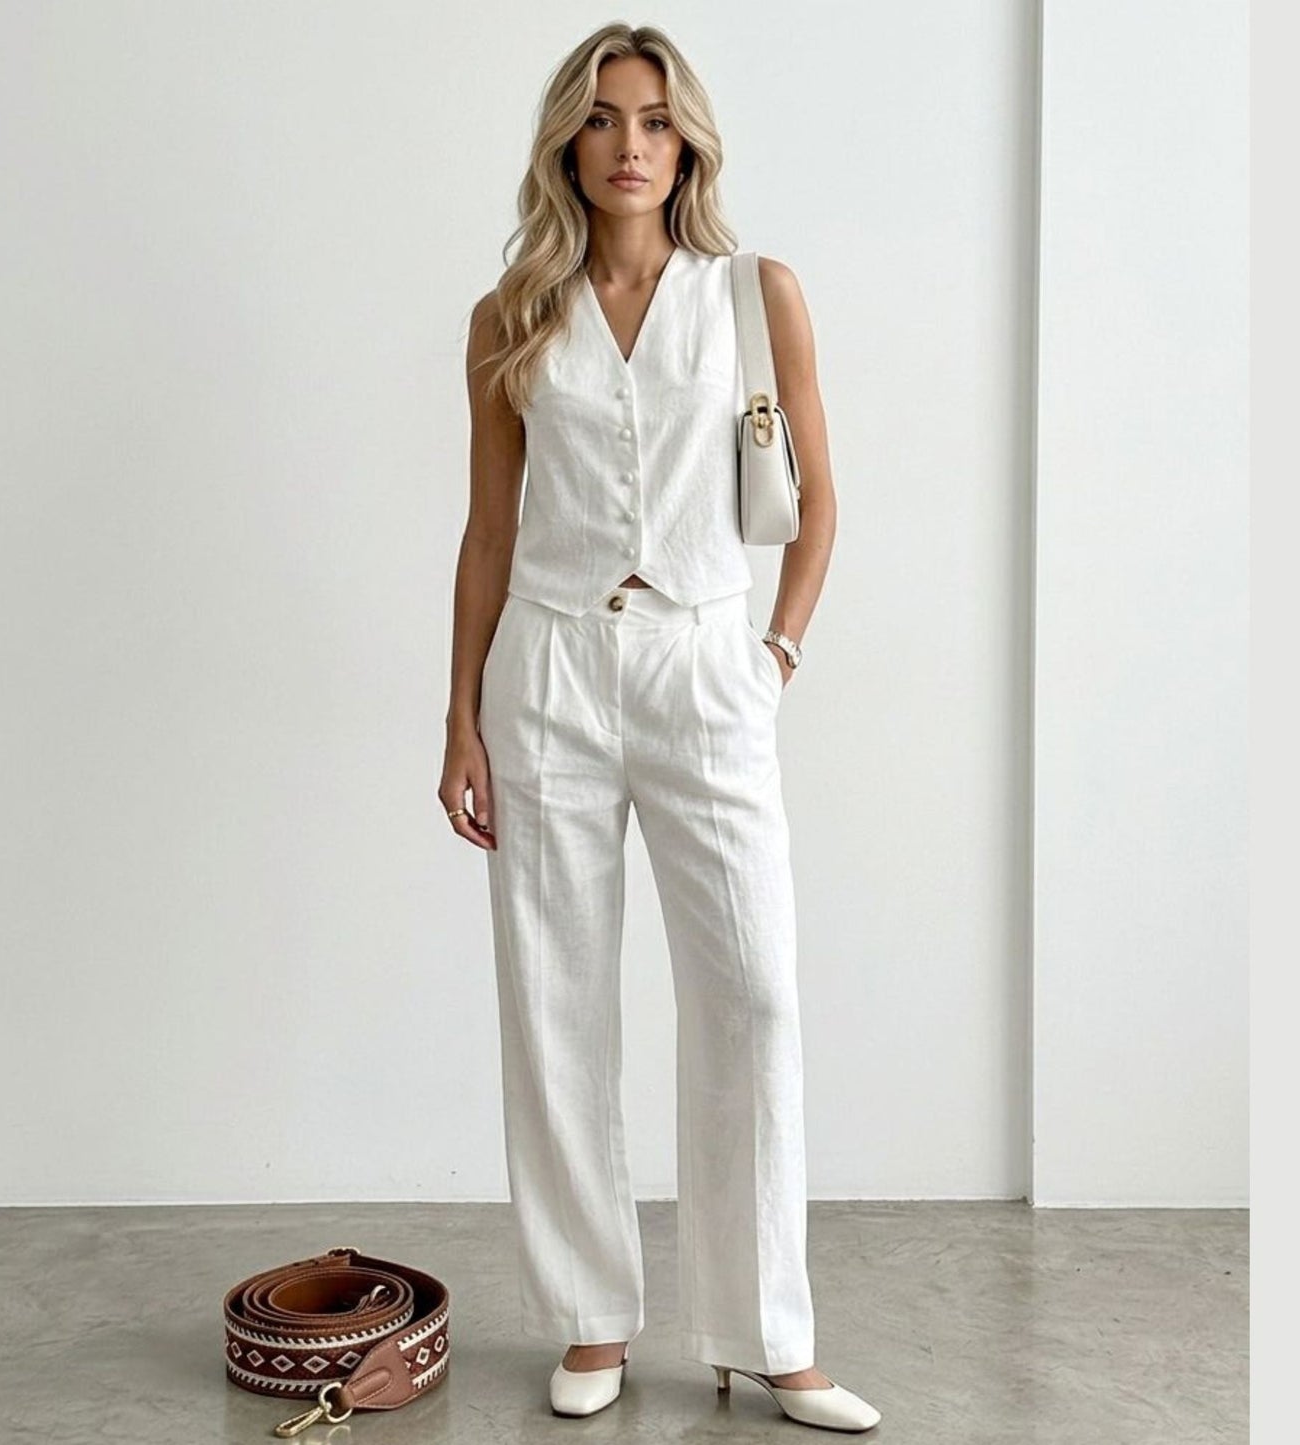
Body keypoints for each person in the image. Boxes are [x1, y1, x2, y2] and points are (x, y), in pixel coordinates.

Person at [439, 22, 881, 1433]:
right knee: (557, 1001)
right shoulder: (512, 309)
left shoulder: (753, 295)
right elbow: (488, 531)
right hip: (550, 671)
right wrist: (459, 717)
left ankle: (771, 1333)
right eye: (600, 120)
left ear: (686, 142)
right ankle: (590, 1316)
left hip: (704, 664)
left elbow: (815, 504)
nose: (628, 144)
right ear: (565, 145)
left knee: (752, 992)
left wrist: (774, 653)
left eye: (652, 120)